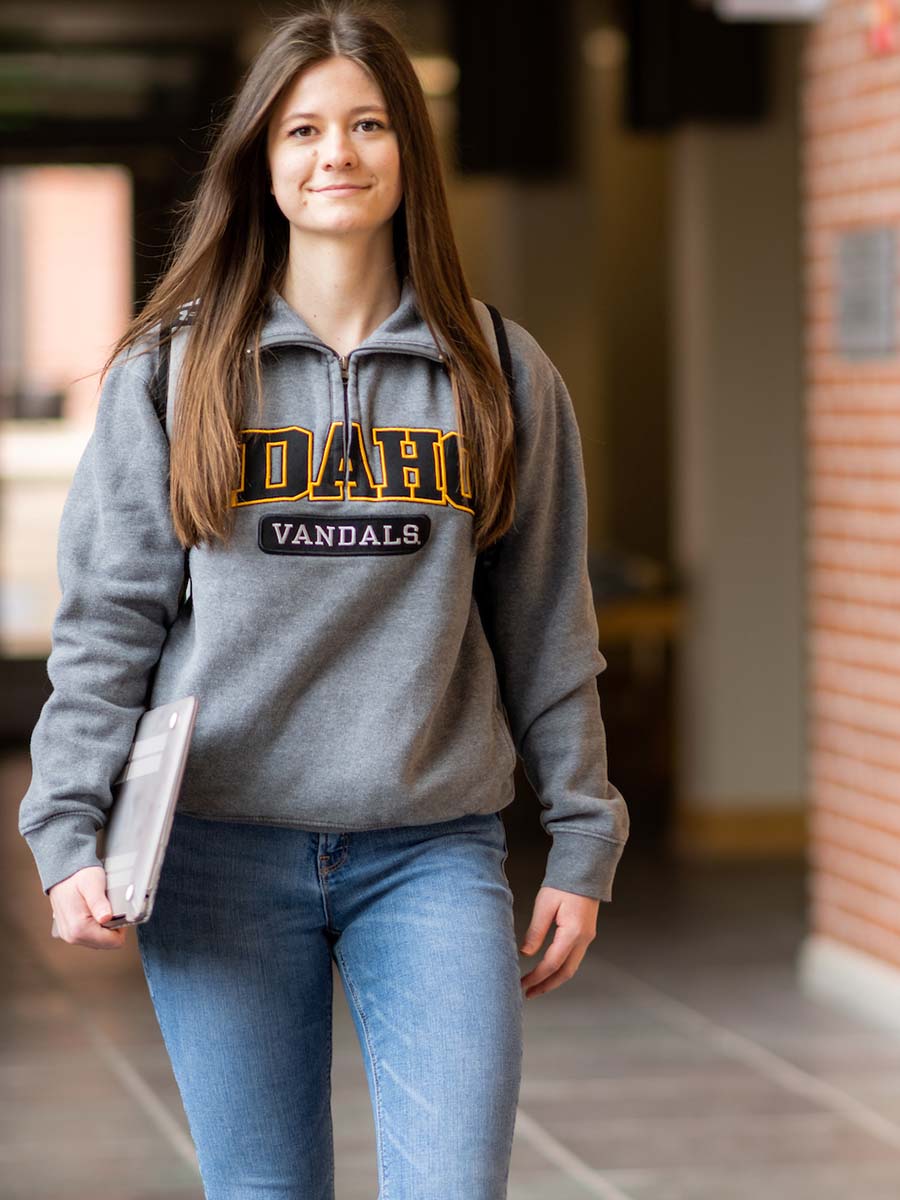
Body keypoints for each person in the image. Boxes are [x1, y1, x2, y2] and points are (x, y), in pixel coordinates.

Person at [18, 2, 629, 1196]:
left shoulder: (500, 374)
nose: (335, 153)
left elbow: (548, 627)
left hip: (431, 849)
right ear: (262, 158)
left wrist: (582, 834)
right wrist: (64, 823)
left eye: (366, 124)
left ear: (410, 152)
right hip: (216, 851)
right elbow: (110, 623)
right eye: (301, 129)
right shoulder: (174, 372)